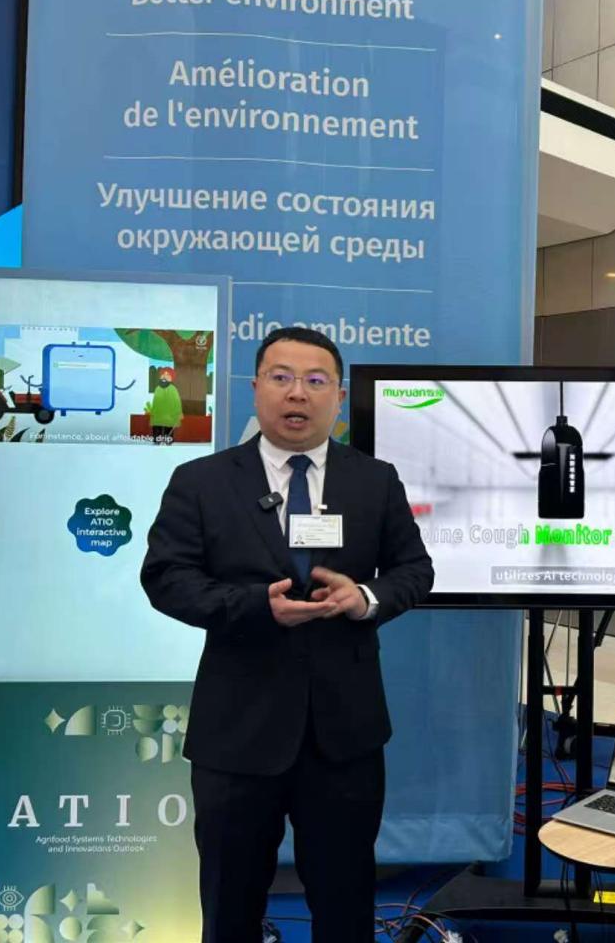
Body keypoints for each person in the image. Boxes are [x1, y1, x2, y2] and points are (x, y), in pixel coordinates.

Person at [141, 327, 434, 942]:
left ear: (339, 396)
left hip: (344, 734)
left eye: (315, 381)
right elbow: (167, 579)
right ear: (256, 388)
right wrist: (254, 606)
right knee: (230, 903)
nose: (297, 393)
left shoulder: (375, 480)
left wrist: (365, 598)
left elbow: (415, 570)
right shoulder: (201, 481)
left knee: (345, 902)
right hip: (237, 733)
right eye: (281, 378)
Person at [149, 366, 183, 444]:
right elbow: (155, 401)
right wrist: (153, 411)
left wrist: (178, 412)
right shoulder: (158, 388)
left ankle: (168, 440)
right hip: (158, 413)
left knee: (169, 426)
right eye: (163, 375)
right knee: (157, 425)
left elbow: (177, 401)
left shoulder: (173, 389)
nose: (165, 376)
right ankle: (157, 440)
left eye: (167, 375)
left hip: (169, 414)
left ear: (171, 378)